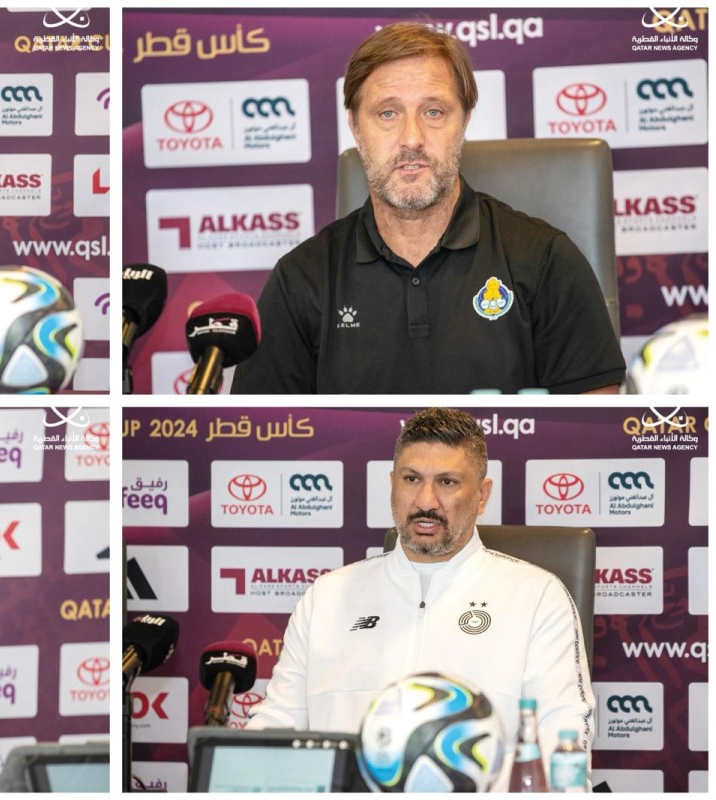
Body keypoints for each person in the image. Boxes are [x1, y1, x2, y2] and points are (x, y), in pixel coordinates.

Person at [231, 22, 625, 394]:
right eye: (388, 112)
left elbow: (592, 433)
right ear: (354, 126)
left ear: (465, 121)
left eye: (433, 111)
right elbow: (269, 435)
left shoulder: (545, 260)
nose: (412, 138)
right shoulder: (301, 278)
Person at [247, 408, 595, 786]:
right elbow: (272, 735)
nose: (426, 501)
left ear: (481, 495)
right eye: (412, 479)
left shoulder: (536, 596)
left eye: (447, 482)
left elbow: (563, 749)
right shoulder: (326, 597)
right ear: (392, 483)